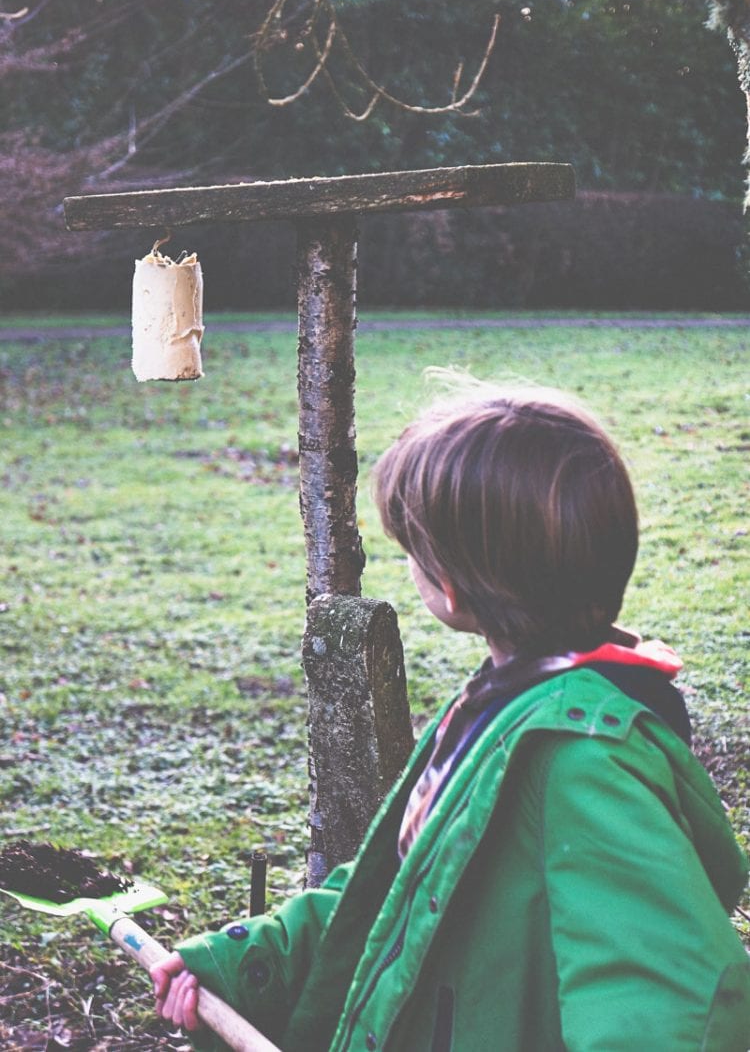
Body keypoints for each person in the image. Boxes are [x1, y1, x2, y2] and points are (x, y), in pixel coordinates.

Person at [152, 380, 750, 1051]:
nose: (407, 561)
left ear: (456, 585)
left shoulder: (583, 760)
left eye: (414, 548)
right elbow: (407, 892)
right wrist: (251, 964)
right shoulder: (504, 704)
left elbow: (665, 1006)